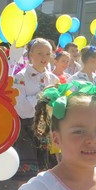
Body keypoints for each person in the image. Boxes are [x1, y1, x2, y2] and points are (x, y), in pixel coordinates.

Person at [12, 38, 58, 179]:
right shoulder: (20, 77)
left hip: (47, 128)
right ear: (30, 54)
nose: (44, 57)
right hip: (27, 128)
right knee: (27, 172)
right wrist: (43, 96)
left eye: (47, 53)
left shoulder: (53, 79)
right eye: (39, 53)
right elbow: (22, 110)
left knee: (47, 171)